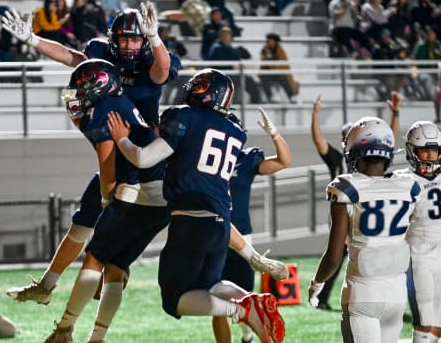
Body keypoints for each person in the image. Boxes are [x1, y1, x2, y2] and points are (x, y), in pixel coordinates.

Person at [2, 2, 180, 304]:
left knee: (110, 233)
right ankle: (48, 286)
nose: (128, 44)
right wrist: (33, 40)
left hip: (142, 154)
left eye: (134, 38)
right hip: (118, 145)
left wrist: (155, 38)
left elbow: (162, 71)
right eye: (123, 38)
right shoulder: (101, 60)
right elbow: (73, 58)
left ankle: (114, 268)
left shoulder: (151, 57)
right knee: (82, 224)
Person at [107, 69, 286, 343]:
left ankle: (242, 310)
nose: (194, 89)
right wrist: (253, 257)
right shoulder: (235, 131)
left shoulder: (185, 117)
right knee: (209, 286)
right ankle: (252, 302)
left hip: (191, 221)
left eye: (200, 86)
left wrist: (121, 139)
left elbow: (143, 159)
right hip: (220, 224)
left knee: (174, 299)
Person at [39, 58, 170, 343]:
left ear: (99, 85)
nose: (78, 94)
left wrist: (109, 201)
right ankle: (97, 337)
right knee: (116, 268)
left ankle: (63, 330)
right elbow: (72, 101)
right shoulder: (117, 100)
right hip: (164, 197)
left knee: (95, 259)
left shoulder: (105, 110)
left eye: (83, 88)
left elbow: (108, 170)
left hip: (138, 190)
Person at [308, 116, 420, 343]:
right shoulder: (408, 186)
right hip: (396, 295)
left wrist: (316, 284)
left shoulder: (346, 187)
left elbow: (334, 255)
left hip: (363, 294)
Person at [310, 93, 400, 310]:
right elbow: (319, 140)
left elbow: (389, 140)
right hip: (350, 212)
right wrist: (314, 114)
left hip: (361, 213)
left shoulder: (368, 165)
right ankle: (325, 298)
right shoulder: (340, 159)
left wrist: (395, 114)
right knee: (340, 255)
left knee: (342, 256)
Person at [213, 108, 292, 343]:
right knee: (216, 299)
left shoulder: (246, 160)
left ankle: (246, 335)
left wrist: (274, 133)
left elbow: (284, 161)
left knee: (246, 298)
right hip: (212, 234)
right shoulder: (203, 158)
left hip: (240, 238)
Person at [395, 121, 441, 343]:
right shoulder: (403, 180)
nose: (431, 156)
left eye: (435, 150)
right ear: (412, 150)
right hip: (417, 255)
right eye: (425, 149)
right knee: (425, 319)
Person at [260, 32, 299, 104]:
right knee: (263, 76)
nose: (270, 43)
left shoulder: (281, 51)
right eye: (269, 41)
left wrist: (272, 64)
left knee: (283, 76)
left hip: (278, 73)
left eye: (272, 41)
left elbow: (283, 66)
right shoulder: (264, 50)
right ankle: (270, 97)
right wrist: (266, 58)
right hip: (268, 73)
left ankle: (291, 96)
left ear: (275, 42)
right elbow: (262, 65)